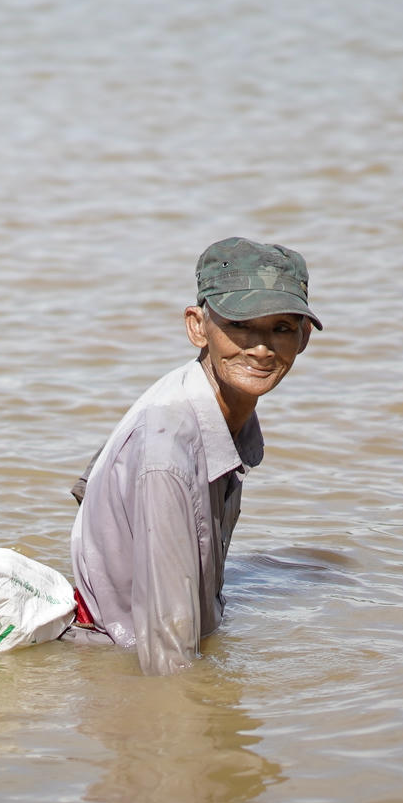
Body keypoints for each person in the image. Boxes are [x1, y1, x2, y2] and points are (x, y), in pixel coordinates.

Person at [64, 237, 322, 675]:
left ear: (303, 339)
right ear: (197, 326)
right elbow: (168, 658)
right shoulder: (168, 451)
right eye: (240, 325)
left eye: (281, 328)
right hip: (118, 659)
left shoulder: (203, 403)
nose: (261, 348)